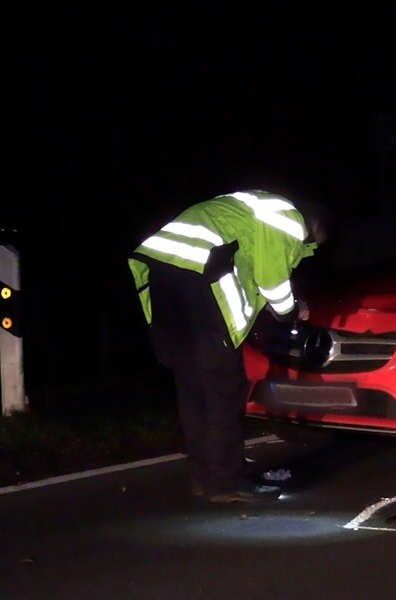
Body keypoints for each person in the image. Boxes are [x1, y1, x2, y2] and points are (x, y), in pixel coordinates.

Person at [127, 188, 332, 503]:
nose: (305, 250)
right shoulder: (289, 219)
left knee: (194, 390)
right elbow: (272, 280)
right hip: (201, 284)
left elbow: (247, 268)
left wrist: (266, 303)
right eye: (311, 246)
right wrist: (291, 311)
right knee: (225, 389)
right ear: (315, 229)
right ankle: (228, 482)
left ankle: (204, 477)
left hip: (164, 275)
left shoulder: (252, 209)